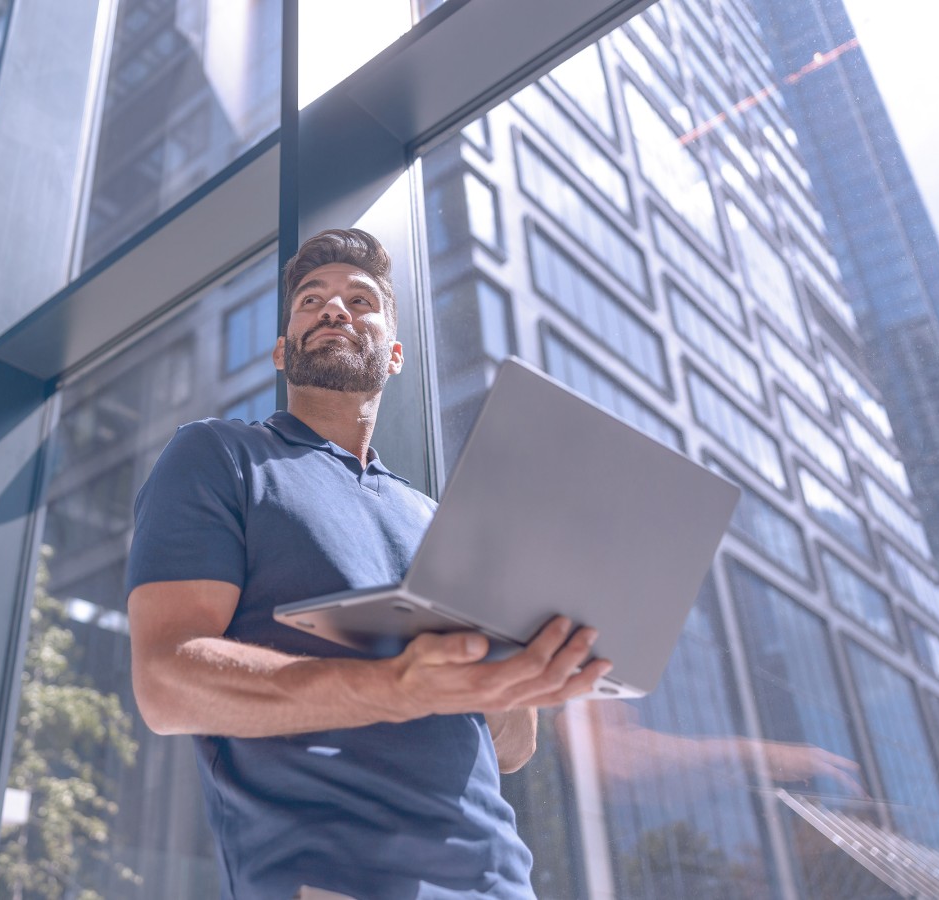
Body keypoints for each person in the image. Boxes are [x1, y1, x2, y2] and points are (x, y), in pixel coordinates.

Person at [126, 228, 613, 899]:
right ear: (280, 350)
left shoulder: (440, 521)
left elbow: (508, 748)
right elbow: (166, 685)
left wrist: (522, 674)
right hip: (334, 881)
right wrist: (398, 686)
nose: (334, 309)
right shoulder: (218, 457)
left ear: (395, 356)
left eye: (360, 300)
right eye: (310, 300)